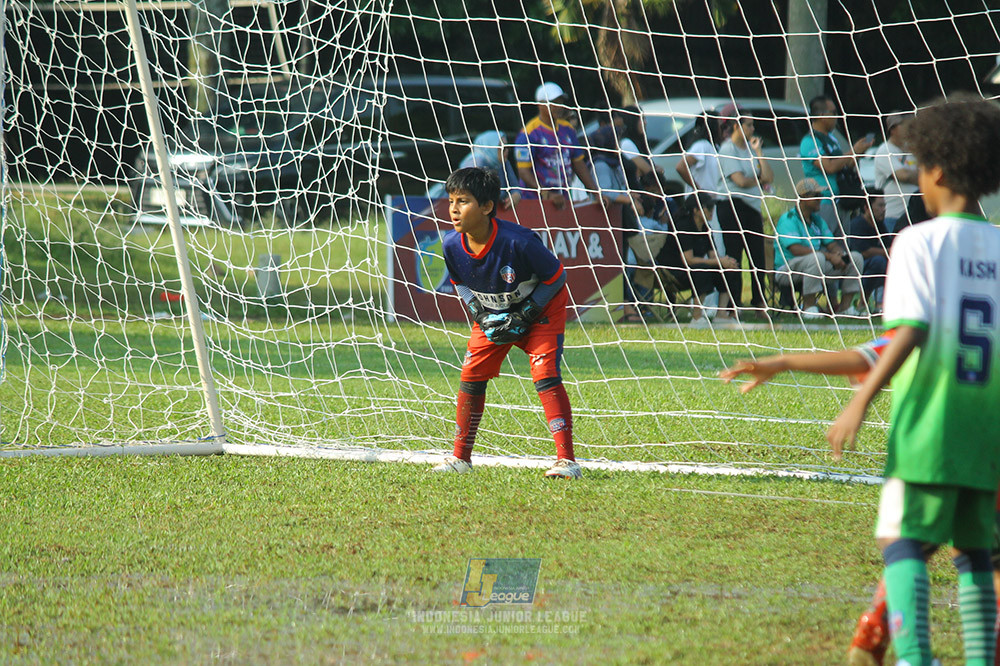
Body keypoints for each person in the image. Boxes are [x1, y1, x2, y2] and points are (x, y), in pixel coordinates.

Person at [827, 96, 1000, 666]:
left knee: (900, 543)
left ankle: (915, 659)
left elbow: (908, 333)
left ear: (940, 170)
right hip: (988, 432)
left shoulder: (918, 242)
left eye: (920, 165)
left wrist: (860, 400)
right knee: (977, 553)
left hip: (931, 427)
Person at [719, 329, 1000, 666]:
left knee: (906, 542)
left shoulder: (929, 310)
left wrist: (784, 362)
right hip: (986, 451)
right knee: (977, 555)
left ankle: (886, 641)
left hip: (938, 445)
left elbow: (868, 356)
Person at [433, 167, 580, 479]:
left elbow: (556, 277)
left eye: (464, 201)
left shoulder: (519, 242)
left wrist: (524, 315)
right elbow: (459, 282)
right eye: (451, 201)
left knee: (545, 374)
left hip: (540, 312)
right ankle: (461, 459)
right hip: (493, 313)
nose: (454, 209)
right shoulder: (450, 244)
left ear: (487, 207)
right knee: (470, 377)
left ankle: (567, 462)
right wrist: (481, 314)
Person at [773, 178, 865, 318]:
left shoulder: (817, 220)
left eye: (821, 196)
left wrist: (840, 255)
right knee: (817, 257)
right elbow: (795, 249)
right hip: (787, 270)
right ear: (803, 197)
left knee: (855, 257)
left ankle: (845, 307)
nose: (821, 199)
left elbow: (831, 244)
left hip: (815, 266)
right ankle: (809, 307)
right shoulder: (788, 219)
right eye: (816, 196)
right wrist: (829, 256)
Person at [513, 82, 601, 209]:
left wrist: (595, 192)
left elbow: (578, 164)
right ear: (541, 104)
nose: (559, 107)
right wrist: (546, 193)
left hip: (563, 201)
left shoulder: (568, 129)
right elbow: (523, 172)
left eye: (560, 102)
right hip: (535, 202)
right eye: (554, 103)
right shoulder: (529, 133)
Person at [717, 114, 772, 312]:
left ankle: (759, 301)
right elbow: (739, 181)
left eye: (753, 125)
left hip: (752, 207)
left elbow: (769, 176)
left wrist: (759, 152)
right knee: (734, 255)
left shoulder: (751, 150)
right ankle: (733, 303)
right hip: (731, 206)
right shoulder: (727, 149)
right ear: (735, 126)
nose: (752, 129)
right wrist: (759, 179)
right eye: (749, 125)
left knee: (757, 256)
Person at [800, 95, 875, 236]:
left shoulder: (832, 139)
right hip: (823, 202)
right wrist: (852, 151)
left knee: (843, 249)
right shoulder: (809, 141)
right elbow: (830, 167)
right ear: (822, 115)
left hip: (841, 201)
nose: (837, 116)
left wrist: (858, 153)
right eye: (833, 112)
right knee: (825, 246)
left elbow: (845, 165)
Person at [665, 192, 739, 327]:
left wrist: (726, 262)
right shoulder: (683, 226)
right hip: (674, 271)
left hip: (692, 269)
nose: (712, 211)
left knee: (728, 268)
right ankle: (697, 316)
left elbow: (713, 256)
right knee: (701, 270)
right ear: (696, 210)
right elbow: (688, 260)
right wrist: (718, 261)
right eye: (708, 207)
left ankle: (721, 314)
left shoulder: (706, 228)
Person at [872, 112, 918, 232]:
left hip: (914, 216)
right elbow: (903, 175)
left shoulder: (912, 149)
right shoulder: (885, 150)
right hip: (893, 216)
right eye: (904, 124)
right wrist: (919, 176)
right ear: (893, 129)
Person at [846, 190, 890, 313]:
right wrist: (887, 251)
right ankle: (861, 303)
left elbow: (888, 244)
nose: (884, 209)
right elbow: (863, 252)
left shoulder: (880, 225)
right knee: (879, 262)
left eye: (885, 206)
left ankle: (882, 304)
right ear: (867, 207)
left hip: (872, 265)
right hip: (854, 267)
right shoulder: (857, 224)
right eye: (880, 205)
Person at [457, 131, 522, 210]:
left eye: (507, 147)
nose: (507, 151)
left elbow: (515, 186)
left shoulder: (503, 162)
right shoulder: (475, 163)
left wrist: (516, 194)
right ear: (490, 147)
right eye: (502, 148)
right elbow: (473, 194)